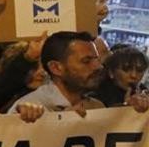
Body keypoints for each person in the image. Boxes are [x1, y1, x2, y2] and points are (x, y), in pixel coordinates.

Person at [10, 31, 148, 115]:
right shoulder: (27, 110)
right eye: (86, 61)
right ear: (56, 68)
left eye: (97, 59)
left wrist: (129, 113)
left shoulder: (97, 107)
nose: (98, 66)